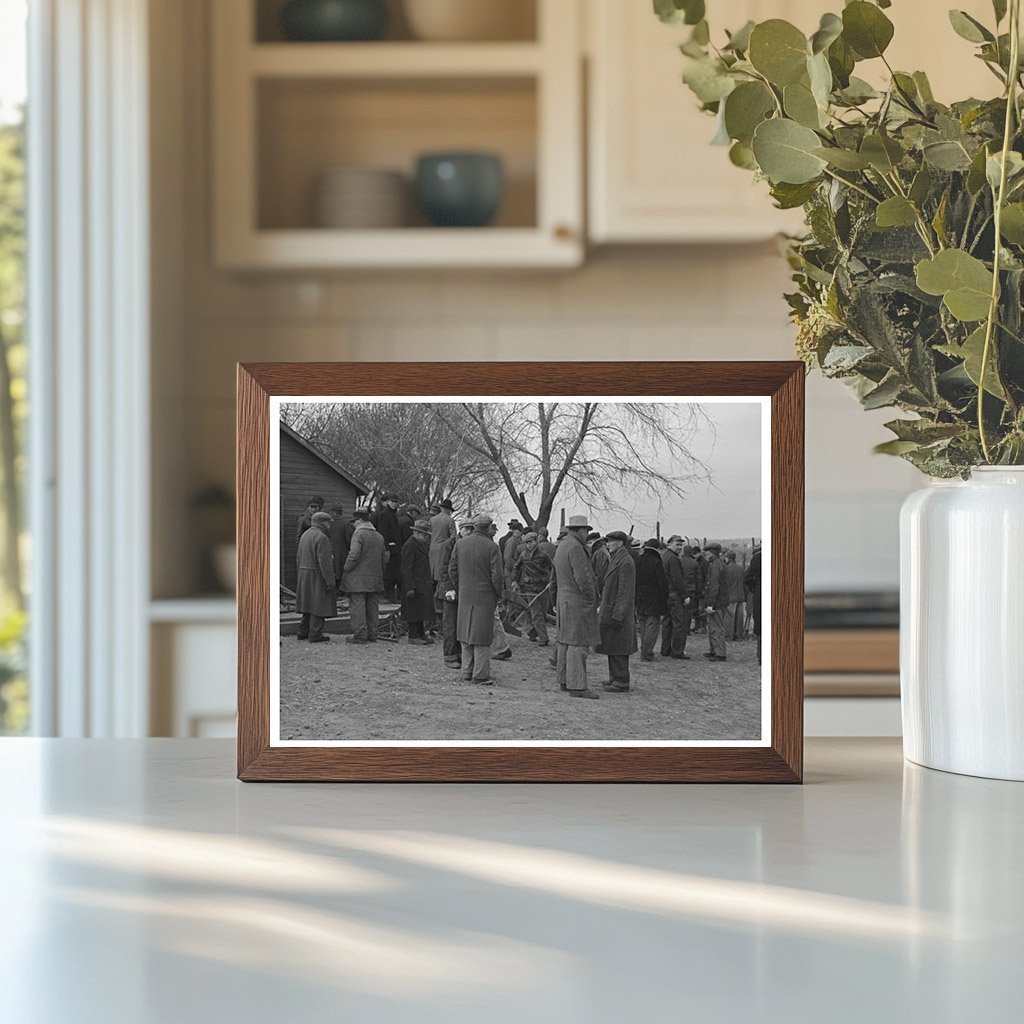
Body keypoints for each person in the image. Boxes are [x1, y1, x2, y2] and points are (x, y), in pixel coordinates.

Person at [551, 514, 601, 699]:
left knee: (564, 641)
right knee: (578, 644)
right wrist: (592, 597)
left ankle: (565, 680)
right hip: (577, 602)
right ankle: (578, 685)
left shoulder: (562, 546)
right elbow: (583, 578)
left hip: (563, 600)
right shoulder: (576, 548)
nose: (587, 535)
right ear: (580, 530)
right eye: (586, 531)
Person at [450, 514, 504, 685]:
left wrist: (461, 587)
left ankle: (467, 671)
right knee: (482, 635)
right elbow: (497, 576)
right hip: (485, 596)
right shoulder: (492, 547)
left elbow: (452, 569)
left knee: (465, 633)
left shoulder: (460, 544)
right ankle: (480, 674)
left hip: (465, 595)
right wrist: (498, 594)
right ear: (488, 528)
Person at [596, 531, 638, 692]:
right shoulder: (618, 559)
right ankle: (614, 677)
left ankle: (621, 681)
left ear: (620, 543)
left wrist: (618, 615)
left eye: (611, 541)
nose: (608, 544)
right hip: (612, 610)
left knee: (619, 648)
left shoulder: (625, 562)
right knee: (612, 647)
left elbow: (625, 592)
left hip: (618, 613)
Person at [342, 507, 386, 644]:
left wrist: (346, 568)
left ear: (360, 521)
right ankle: (373, 634)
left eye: (354, 522)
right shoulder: (379, 536)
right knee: (373, 606)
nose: (353, 525)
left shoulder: (358, 534)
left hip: (358, 579)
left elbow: (354, 555)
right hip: (376, 577)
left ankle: (360, 635)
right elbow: (384, 558)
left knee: (358, 606)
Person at [295, 511, 335, 643]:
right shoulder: (322, 537)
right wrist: (330, 581)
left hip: (304, 572)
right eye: (328, 523)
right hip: (317, 575)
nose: (330, 526)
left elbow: (298, 557)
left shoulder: (305, 535)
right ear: (323, 522)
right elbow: (325, 562)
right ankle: (315, 633)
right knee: (319, 604)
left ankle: (303, 631)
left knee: (307, 604)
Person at [439, 520, 474, 668]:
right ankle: (449, 656)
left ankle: (459, 654)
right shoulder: (449, 544)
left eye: (471, 529)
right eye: (467, 529)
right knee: (450, 625)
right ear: (461, 529)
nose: (469, 532)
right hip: (451, 590)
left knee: (461, 625)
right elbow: (443, 569)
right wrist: (448, 589)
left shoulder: (469, 545)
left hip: (463, 589)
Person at [511, 530, 553, 646]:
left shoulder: (544, 555)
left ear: (536, 541)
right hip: (529, 588)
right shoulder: (523, 555)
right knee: (536, 613)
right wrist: (514, 581)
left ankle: (532, 632)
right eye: (527, 542)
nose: (529, 544)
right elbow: (516, 567)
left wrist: (551, 582)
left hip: (543, 588)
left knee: (542, 613)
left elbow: (552, 568)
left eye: (531, 542)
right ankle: (544, 638)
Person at [401, 519, 435, 645]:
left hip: (421, 583)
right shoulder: (409, 546)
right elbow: (406, 568)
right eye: (424, 535)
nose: (426, 537)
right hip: (414, 583)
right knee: (414, 611)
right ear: (417, 533)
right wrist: (410, 587)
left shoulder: (420, 545)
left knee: (420, 610)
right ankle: (413, 635)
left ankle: (420, 634)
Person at [636, 538, 669, 662]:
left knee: (643, 625)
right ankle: (647, 653)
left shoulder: (638, 560)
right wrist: (664, 598)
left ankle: (644, 649)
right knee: (652, 627)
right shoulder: (656, 562)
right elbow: (662, 584)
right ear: (657, 549)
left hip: (640, 598)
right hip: (654, 599)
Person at [486, 519, 513, 661]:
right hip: (490, 586)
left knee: (493, 617)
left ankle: (501, 647)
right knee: (493, 617)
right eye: (492, 529)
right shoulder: (492, 545)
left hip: (486, 588)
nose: (493, 532)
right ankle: (500, 647)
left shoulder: (493, 544)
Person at [661, 535, 690, 661]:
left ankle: (665, 649)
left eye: (681, 545)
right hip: (674, 595)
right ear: (670, 544)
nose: (679, 547)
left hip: (666, 594)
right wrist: (685, 596)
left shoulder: (665, 556)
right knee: (678, 623)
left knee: (667, 623)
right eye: (677, 544)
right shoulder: (673, 559)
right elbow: (677, 579)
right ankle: (677, 651)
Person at [702, 543, 730, 661]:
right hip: (721, 601)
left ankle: (720, 653)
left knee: (717, 627)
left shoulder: (715, 566)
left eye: (706, 552)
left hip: (717, 602)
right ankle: (714, 650)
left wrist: (710, 604)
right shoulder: (720, 564)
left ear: (710, 552)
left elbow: (714, 586)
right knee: (714, 626)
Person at [373, 494, 402, 602]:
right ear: (388, 502)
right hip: (389, 548)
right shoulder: (385, 514)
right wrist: (387, 546)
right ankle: (385, 595)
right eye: (393, 501)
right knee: (388, 574)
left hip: (394, 549)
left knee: (393, 573)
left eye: (396, 501)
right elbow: (383, 531)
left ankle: (389, 596)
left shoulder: (393, 514)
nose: (395, 503)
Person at [428, 498, 457, 585]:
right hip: (443, 550)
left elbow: (428, 536)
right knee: (441, 574)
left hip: (432, 549)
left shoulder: (432, 520)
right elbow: (453, 537)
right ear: (449, 510)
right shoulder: (450, 520)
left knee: (431, 574)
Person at [328, 503, 353, 602]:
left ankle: (334, 593)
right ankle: (341, 592)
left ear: (333, 512)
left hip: (330, 552)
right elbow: (348, 539)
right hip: (342, 553)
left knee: (333, 572)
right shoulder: (346, 524)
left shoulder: (328, 524)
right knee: (342, 572)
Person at [723, 550, 748, 640]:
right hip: (741, 596)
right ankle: (738, 636)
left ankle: (729, 635)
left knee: (730, 617)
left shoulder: (726, 569)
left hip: (731, 596)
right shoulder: (741, 568)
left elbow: (725, 583)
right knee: (739, 617)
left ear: (729, 558)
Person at [746, 546, 762, 665]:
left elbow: (748, 577)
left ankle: (761, 656)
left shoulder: (758, 557)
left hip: (761, 595)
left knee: (760, 624)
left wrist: (755, 588)